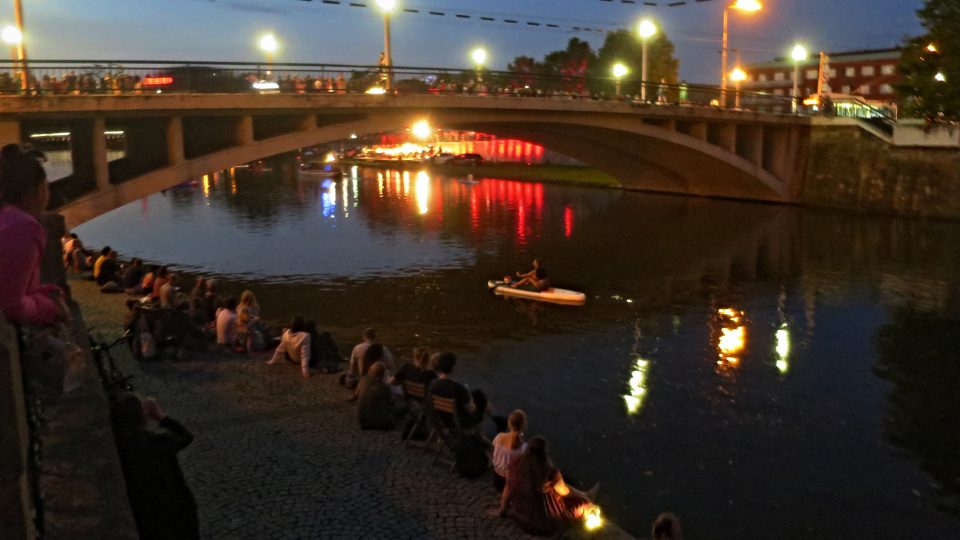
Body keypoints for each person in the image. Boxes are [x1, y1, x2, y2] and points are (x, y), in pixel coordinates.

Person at [110, 393, 199, 540]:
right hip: (176, 511)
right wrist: (160, 416)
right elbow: (185, 436)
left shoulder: (119, 449)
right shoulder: (157, 443)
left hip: (145, 519)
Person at [0, 149, 68, 325]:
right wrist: (50, 307)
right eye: (46, 187)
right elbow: (12, 305)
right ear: (34, 192)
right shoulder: (24, 228)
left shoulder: (6, 219)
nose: (48, 194)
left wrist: (44, 292)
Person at [496, 436, 598, 536]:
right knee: (582, 503)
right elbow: (565, 493)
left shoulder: (514, 466)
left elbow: (508, 489)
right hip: (547, 525)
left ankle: (585, 495)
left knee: (555, 487)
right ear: (544, 453)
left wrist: (502, 510)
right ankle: (587, 498)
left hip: (522, 520)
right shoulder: (549, 472)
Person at [426, 352, 493, 430]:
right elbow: (471, 410)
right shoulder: (458, 387)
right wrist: (470, 399)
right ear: (453, 368)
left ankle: (495, 420)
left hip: (441, 419)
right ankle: (479, 435)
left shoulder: (432, 384)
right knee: (480, 402)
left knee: (477, 393)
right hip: (458, 422)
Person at [492, 410, 528, 492]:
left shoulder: (499, 437)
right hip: (509, 483)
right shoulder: (523, 447)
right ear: (523, 425)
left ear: (509, 424)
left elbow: (494, 451)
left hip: (496, 479)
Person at [356, 361, 398, 430]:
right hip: (380, 423)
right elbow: (390, 402)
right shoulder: (383, 388)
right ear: (382, 374)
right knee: (400, 407)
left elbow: (357, 394)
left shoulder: (363, 380)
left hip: (363, 421)